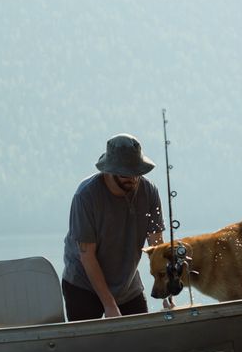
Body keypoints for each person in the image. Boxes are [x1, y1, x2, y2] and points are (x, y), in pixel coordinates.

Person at [62, 133, 165, 320]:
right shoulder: (86, 196)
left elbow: (157, 247)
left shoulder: (149, 192)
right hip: (84, 284)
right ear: (109, 170)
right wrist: (109, 305)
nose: (133, 179)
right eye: (126, 173)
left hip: (127, 285)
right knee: (89, 346)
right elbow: (87, 256)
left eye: (137, 172)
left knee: (140, 339)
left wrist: (166, 289)